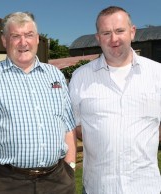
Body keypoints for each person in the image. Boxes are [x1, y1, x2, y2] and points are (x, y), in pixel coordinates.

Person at [0, 12, 76, 194]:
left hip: (57, 181)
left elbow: (68, 124)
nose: (23, 42)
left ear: (37, 39)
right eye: (15, 36)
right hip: (6, 182)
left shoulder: (55, 75)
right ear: (4, 40)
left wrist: (70, 166)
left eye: (29, 35)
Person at [69, 6, 161, 194]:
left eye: (120, 31)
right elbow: (75, 127)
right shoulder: (80, 77)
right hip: (98, 186)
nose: (114, 39)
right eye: (106, 33)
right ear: (98, 38)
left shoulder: (157, 74)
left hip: (146, 186)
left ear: (132, 32)